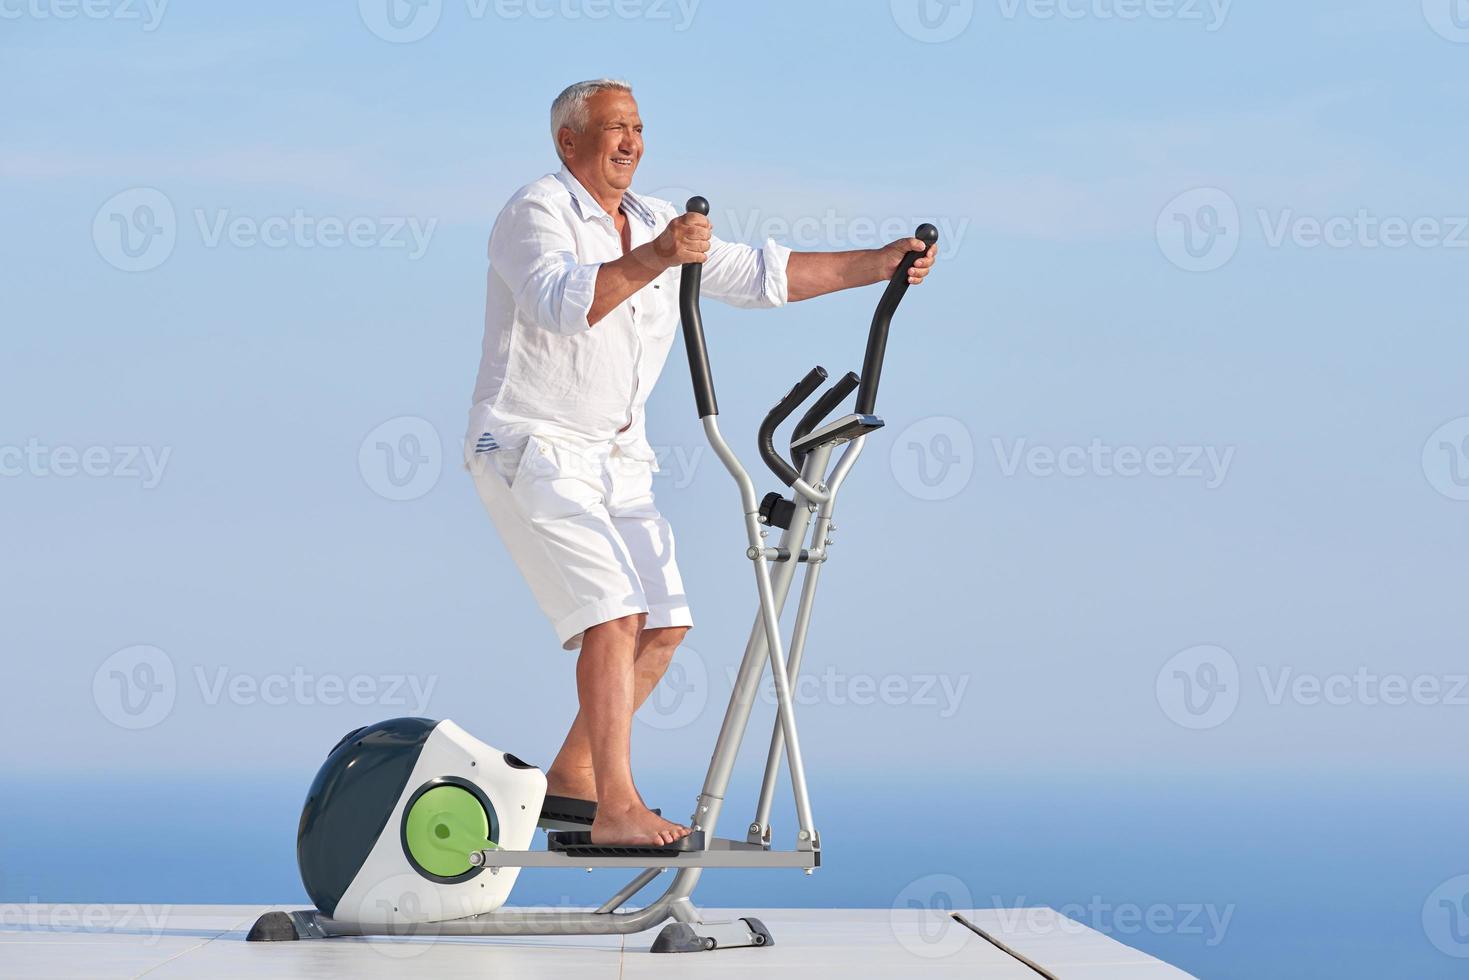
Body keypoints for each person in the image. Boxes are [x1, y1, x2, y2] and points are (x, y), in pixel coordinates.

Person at [466, 78, 937, 846]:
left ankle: (573, 778)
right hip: (528, 442)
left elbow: (759, 276)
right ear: (569, 142)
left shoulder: (655, 217)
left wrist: (877, 264)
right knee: (613, 614)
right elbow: (559, 304)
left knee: (664, 624)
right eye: (614, 127)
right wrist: (657, 256)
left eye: (638, 127)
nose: (631, 141)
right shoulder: (536, 212)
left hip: (616, 452)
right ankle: (618, 808)